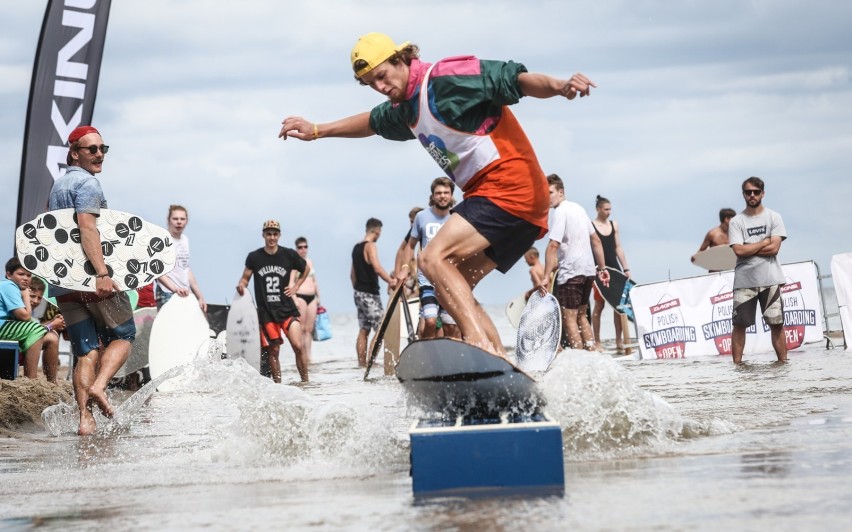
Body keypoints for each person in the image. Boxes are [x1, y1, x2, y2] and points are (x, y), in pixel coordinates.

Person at [279, 33, 596, 356]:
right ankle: (500, 360)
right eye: (369, 83)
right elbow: (372, 122)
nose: (379, 86)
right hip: (512, 204)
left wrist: (559, 86)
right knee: (452, 286)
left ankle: (477, 341)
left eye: (381, 76)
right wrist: (318, 130)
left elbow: (512, 79)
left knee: (431, 258)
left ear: (401, 59)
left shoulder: (444, 79)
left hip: (510, 187)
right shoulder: (405, 109)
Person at [48, 125, 136, 435]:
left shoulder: (58, 186)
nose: (99, 154)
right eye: (92, 149)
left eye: (103, 149)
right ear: (74, 153)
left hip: (63, 281)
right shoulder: (88, 184)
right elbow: (88, 229)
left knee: (85, 350)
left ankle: (85, 419)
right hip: (91, 278)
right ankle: (100, 386)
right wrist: (102, 273)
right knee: (125, 334)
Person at [540, 175, 609, 350]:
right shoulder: (579, 209)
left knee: (569, 318)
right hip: (588, 272)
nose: (547, 197)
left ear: (561, 192)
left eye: (550, 193)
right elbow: (596, 241)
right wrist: (602, 268)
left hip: (571, 273)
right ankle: (592, 354)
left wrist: (546, 276)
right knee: (581, 316)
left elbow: (553, 245)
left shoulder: (560, 212)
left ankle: (578, 358)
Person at [236, 220, 309, 383]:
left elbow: (305, 269)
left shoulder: (288, 254)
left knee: (298, 346)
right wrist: (241, 285)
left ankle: (306, 382)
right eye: (269, 234)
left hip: (287, 309)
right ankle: (278, 386)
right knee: (274, 351)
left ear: (279, 236)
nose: (272, 237)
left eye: (275, 234)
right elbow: (245, 278)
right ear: (263, 235)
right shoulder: (254, 257)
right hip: (267, 313)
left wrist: (296, 286)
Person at [729, 177, 788, 364]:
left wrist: (750, 246)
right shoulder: (737, 221)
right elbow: (738, 250)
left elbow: (775, 249)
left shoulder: (774, 217)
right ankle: (737, 367)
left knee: (776, 323)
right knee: (739, 325)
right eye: (748, 192)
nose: (752, 195)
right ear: (743, 194)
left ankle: (783, 365)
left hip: (770, 278)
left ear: (763, 193)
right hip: (744, 281)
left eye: (756, 191)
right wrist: (764, 241)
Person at [398, 177, 459, 339]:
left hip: (450, 280)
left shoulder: (457, 218)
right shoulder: (422, 217)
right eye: (438, 193)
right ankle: (426, 356)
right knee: (430, 321)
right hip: (427, 279)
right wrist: (404, 269)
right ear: (432, 196)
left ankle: (449, 359)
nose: (442, 196)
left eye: (446, 192)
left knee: (450, 326)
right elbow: (409, 246)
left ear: (452, 195)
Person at [590, 194, 632, 352]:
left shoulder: (614, 225)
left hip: (615, 269)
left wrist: (626, 268)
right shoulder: (591, 226)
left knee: (618, 306)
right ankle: (597, 342)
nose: (609, 212)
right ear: (598, 209)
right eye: (606, 209)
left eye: (610, 209)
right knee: (599, 305)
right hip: (599, 271)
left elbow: (618, 247)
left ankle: (619, 341)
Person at [351, 217, 395, 367]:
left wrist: (358, 290)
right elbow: (377, 267)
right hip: (370, 294)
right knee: (382, 327)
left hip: (358, 293)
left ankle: (361, 364)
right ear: (376, 231)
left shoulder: (356, 248)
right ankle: (371, 361)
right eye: (380, 232)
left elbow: (352, 275)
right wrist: (391, 281)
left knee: (364, 328)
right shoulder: (370, 246)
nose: (380, 235)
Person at [0, 258, 47, 381]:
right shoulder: (8, 286)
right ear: (9, 274)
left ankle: (52, 381)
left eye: (29, 275)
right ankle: (31, 378)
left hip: (5, 326)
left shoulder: (11, 287)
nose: (26, 278)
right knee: (37, 329)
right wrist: (26, 295)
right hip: (2, 326)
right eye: (21, 274)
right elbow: (25, 316)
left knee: (50, 336)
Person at [155, 205, 207, 313]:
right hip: (167, 292)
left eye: (182, 219)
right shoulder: (162, 239)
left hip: (186, 293)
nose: (179, 222)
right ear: (169, 220)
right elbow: (157, 272)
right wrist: (175, 289)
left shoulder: (185, 240)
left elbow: (185, 268)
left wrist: (200, 296)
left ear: (186, 221)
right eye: (175, 218)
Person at [27, 276, 66, 383]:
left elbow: (32, 326)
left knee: (53, 335)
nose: (36, 301)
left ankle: (51, 382)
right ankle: (34, 379)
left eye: (39, 298)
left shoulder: (29, 309)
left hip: (20, 338)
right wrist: (52, 324)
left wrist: (53, 322)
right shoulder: (20, 307)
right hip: (14, 340)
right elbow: (29, 331)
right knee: (52, 338)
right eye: (32, 296)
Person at [291, 236, 321, 364]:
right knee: (301, 329)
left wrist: (319, 296)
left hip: (312, 297)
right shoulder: (294, 264)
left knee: (309, 329)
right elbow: (291, 282)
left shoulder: (310, 262)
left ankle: (309, 356)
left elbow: (314, 281)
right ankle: (302, 356)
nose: (303, 249)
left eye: (305, 247)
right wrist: (294, 299)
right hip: (300, 296)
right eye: (300, 247)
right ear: (296, 249)